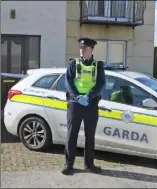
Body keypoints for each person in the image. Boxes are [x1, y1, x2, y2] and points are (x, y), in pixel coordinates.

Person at [61, 37, 105, 175]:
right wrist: (77, 97)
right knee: (71, 134)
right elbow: (68, 81)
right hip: (75, 104)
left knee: (90, 136)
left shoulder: (98, 65)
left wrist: (88, 96)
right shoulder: (73, 63)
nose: (82, 50)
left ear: (91, 50)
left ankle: (89, 164)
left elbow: (101, 84)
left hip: (91, 104)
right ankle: (68, 164)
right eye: (80, 48)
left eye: (85, 48)